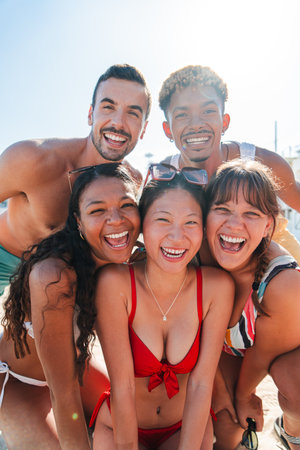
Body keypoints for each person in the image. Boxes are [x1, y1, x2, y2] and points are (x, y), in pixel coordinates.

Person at [90, 164, 234, 449]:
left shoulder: (217, 288)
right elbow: (123, 385)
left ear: (204, 228)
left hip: (185, 427)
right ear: (142, 225)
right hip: (119, 424)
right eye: (163, 220)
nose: (177, 237)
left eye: (191, 222)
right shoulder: (114, 283)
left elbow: (201, 384)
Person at [0, 163, 141, 449]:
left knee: (137, 413)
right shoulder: (54, 277)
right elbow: (64, 395)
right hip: (19, 384)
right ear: (78, 220)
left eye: (126, 205)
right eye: (97, 210)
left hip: (75, 368)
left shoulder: (120, 260)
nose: (116, 219)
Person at [0, 63, 151, 296]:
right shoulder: (33, 159)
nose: (119, 123)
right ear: (91, 115)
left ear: (143, 128)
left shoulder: (132, 182)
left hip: (59, 278)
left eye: (133, 113)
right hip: (5, 259)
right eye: (108, 107)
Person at [158, 65, 300, 262]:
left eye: (208, 111)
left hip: (276, 258)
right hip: (215, 272)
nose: (196, 124)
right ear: (167, 129)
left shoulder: (261, 162)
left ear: (224, 122)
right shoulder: (165, 175)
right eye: (182, 115)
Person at [204, 159, 300, 450]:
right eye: (222, 209)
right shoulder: (193, 255)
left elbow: (261, 355)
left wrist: (244, 396)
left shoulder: (284, 284)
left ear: (268, 224)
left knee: (298, 392)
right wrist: (223, 393)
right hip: (230, 349)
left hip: (286, 347)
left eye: (251, 213)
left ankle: (292, 432)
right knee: (227, 428)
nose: (234, 224)